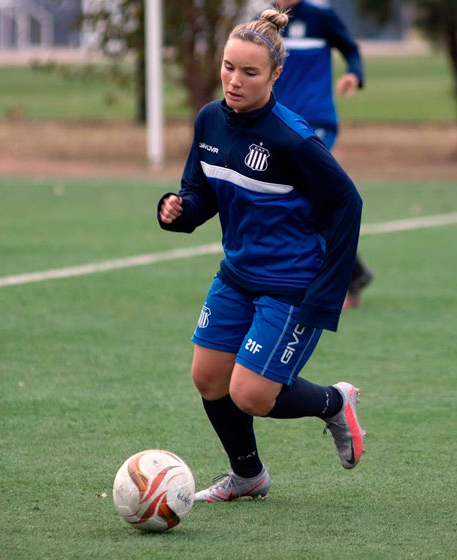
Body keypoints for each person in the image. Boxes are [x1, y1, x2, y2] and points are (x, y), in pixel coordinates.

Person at [157, 9, 366, 502]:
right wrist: (178, 210)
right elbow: (201, 192)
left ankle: (335, 401)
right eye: (229, 67)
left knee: (249, 394)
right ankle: (248, 476)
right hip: (237, 274)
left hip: (292, 282)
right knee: (208, 377)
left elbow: (346, 204)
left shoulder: (293, 139)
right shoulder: (210, 119)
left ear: (274, 75)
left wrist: (327, 294)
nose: (234, 80)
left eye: (249, 72)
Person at [273, 0, 374, 309]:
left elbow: (351, 50)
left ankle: (344, 275)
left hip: (316, 122)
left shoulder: (321, 18)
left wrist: (353, 75)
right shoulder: (264, 21)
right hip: (278, 123)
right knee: (301, 201)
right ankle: (354, 271)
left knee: (306, 193)